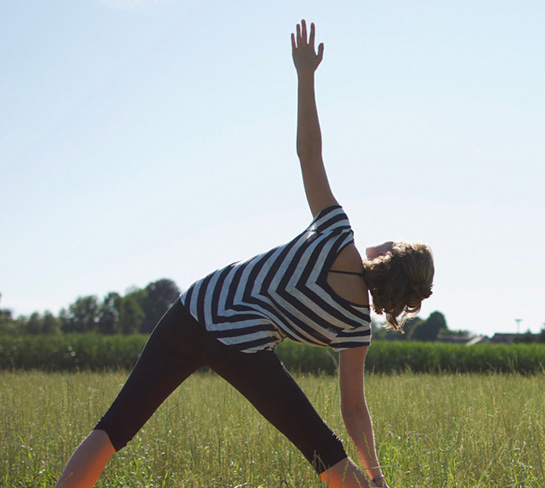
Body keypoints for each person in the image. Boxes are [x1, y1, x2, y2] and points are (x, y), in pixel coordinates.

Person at [54, 20, 434, 488]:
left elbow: (309, 154)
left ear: (389, 255)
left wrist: (305, 75)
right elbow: (353, 408)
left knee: (113, 429)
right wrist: (376, 474)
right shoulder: (356, 326)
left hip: (196, 306)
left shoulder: (338, 233)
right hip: (241, 342)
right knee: (334, 464)